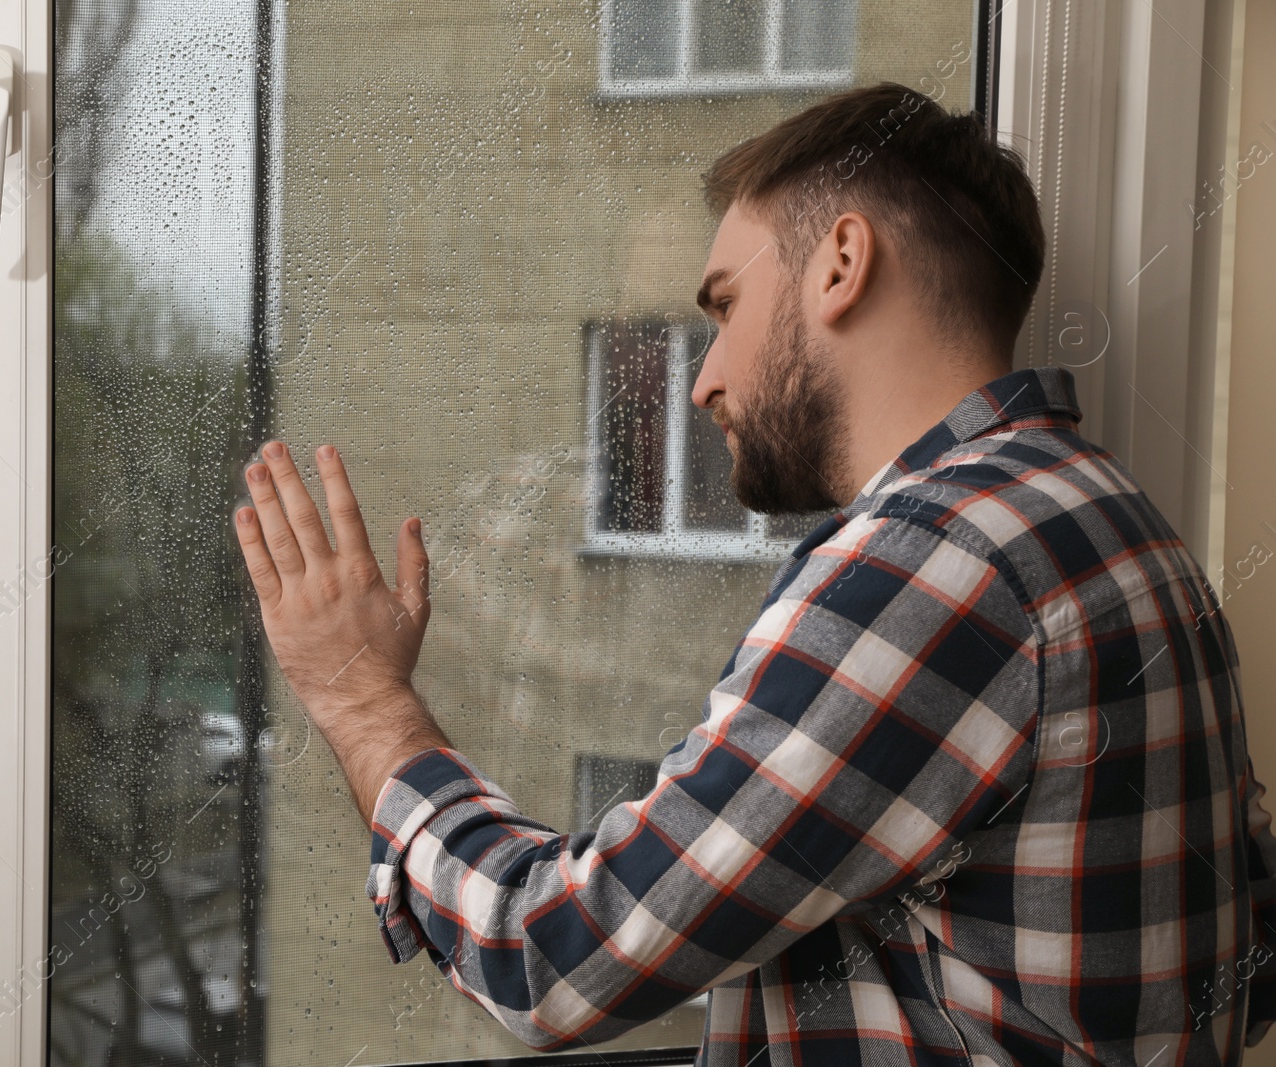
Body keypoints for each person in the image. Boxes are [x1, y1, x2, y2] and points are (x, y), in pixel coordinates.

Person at [231, 82, 1276, 1064]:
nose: (704, 381)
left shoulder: (936, 562)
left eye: (722, 307)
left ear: (839, 264)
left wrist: (360, 693)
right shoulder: (1109, 516)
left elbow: (548, 954)